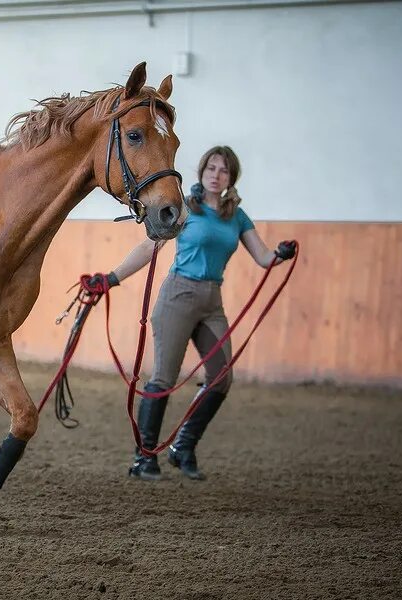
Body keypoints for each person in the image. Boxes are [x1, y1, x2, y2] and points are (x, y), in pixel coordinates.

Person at [92, 146, 296, 481]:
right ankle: (143, 457)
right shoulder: (185, 206)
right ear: (202, 171)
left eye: (224, 170)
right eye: (211, 168)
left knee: (221, 378)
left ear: (231, 178)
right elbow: (150, 246)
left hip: (211, 302)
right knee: (163, 379)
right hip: (178, 296)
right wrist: (112, 278)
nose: (216, 174)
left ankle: (183, 447)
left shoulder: (237, 216)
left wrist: (280, 254)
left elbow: (263, 258)